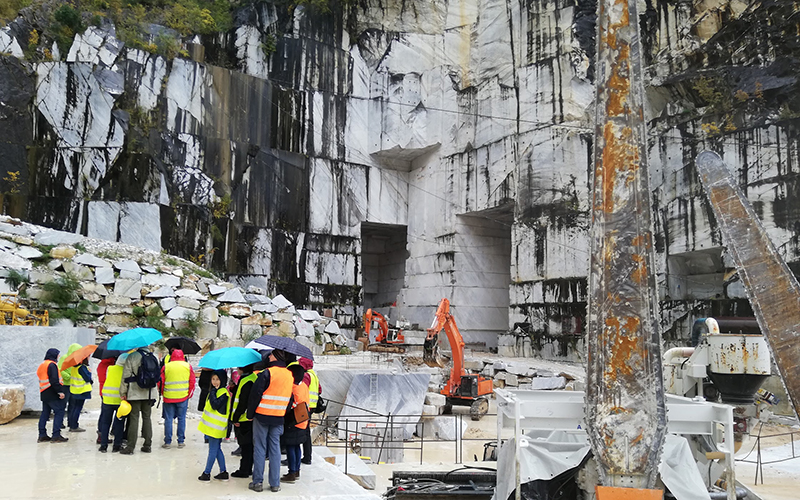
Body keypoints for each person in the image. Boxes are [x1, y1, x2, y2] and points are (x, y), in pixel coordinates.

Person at [247, 349, 293, 493]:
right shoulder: (289, 375)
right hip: (278, 417)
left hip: (262, 415)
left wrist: (250, 414)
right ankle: (275, 483)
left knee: (260, 448)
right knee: (275, 449)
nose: (269, 356)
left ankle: (258, 482)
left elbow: (256, 395)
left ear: (275, 357)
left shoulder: (266, 373)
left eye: (271, 354)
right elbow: (290, 398)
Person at [119, 348, 154, 455]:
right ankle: (147, 445)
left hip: (135, 392)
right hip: (149, 393)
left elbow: (126, 376)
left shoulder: (132, 356)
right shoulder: (153, 356)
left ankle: (130, 447)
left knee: (134, 418)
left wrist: (123, 392)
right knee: (147, 418)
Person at [159, 349, 195, 449]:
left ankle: (167, 442)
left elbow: (160, 382)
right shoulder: (188, 366)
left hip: (168, 397)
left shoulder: (166, 367)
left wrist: (163, 393)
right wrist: (189, 394)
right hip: (183, 397)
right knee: (181, 418)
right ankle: (180, 441)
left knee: (168, 419)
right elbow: (192, 381)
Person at [198, 370, 230, 482]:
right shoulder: (217, 391)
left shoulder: (222, 393)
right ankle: (223, 472)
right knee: (216, 449)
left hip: (216, 428)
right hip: (212, 427)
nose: (215, 382)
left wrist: (212, 392)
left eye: (217, 379)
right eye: (213, 379)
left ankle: (207, 473)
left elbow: (215, 405)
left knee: (213, 450)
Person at [281, 363, 310, 483]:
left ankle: (291, 472)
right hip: (303, 420)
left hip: (293, 421)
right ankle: (297, 470)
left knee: (290, 446)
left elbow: (290, 405)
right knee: (297, 446)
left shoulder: (292, 388)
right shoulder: (304, 386)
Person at [230, 363, 258, 478]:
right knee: (249, 446)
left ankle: (244, 470)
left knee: (246, 446)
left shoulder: (247, 381)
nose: (237, 369)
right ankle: (248, 468)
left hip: (243, 418)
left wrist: (235, 418)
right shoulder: (251, 378)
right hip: (248, 418)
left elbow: (243, 402)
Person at [37, 348, 68, 443]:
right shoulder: (52, 365)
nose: (59, 356)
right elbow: (54, 380)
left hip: (44, 392)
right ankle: (56, 435)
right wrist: (60, 391)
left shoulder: (43, 364)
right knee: (59, 412)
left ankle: (42, 435)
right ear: (54, 355)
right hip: (52, 392)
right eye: (58, 354)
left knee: (45, 413)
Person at [98, 355, 124, 452]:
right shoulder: (126, 371)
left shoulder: (110, 368)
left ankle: (103, 446)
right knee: (119, 423)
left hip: (107, 398)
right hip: (119, 400)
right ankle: (116, 445)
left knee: (105, 423)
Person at [298, 357, 321, 464]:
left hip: (305, 406)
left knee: (302, 432)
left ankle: (306, 457)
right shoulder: (314, 375)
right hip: (312, 406)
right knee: (306, 432)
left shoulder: (306, 376)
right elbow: (319, 389)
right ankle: (307, 456)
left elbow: (302, 388)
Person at [58, 343, 81, 430]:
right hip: (65, 385)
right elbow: (60, 370)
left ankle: (71, 423)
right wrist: (69, 377)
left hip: (73, 385)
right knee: (62, 405)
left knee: (73, 405)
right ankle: (60, 422)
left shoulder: (77, 360)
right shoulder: (64, 358)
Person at [67, 357, 92, 432]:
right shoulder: (82, 368)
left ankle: (71, 425)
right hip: (82, 391)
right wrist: (89, 372)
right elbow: (87, 378)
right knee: (77, 408)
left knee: (74, 408)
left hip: (75, 390)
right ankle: (74, 426)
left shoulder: (74, 368)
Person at [96, 356, 116, 444]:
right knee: (117, 413)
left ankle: (101, 434)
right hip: (114, 392)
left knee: (104, 414)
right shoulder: (112, 365)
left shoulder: (101, 364)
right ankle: (115, 431)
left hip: (103, 391)